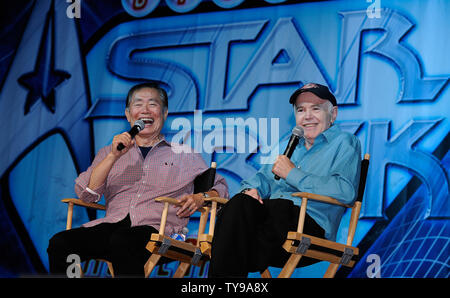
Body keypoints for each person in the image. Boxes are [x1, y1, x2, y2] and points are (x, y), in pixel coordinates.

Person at [47, 82, 228, 277]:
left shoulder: (184, 154)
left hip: (159, 230)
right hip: (112, 225)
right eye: (138, 104)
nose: (145, 110)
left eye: (153, 104)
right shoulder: (109, 152)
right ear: (128, 114)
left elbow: (221, 187)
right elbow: (87, 194)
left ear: (165, 113)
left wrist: (200, 197)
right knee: (60, 243)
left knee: (123, 240)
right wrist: (113, 157)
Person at [208, 83, 361, 277]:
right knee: (239, 203)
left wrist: (292, 174)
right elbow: (262, 179)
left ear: (333, 113)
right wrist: (250, 191)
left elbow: (345, 191)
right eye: (301, 110)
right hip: (273, 228)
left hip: (311, 225)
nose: (307, 116)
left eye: (316, 108)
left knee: (276, 209)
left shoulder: (345, 142)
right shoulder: (289, 146)